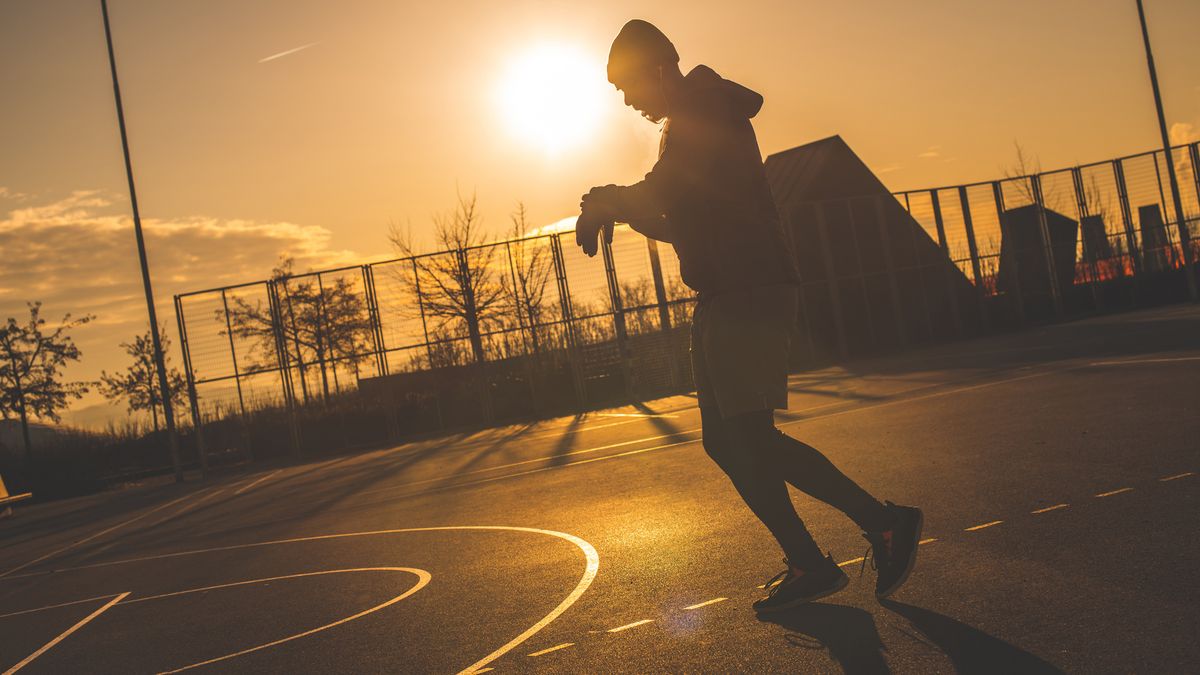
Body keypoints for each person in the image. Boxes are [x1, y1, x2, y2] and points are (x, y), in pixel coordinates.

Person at [576, 19, 923, 613]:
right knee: (725, 441)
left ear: (659, 70)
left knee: (750, 438)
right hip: (723, 293)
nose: (629, 103)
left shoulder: (704, 110)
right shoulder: (684, 124)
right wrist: (621, 208)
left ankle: (881, 523)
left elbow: (662, 192)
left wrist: (611, 197)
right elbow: (674, 215)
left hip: (750, 289)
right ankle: (812, 560)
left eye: (629, 88)